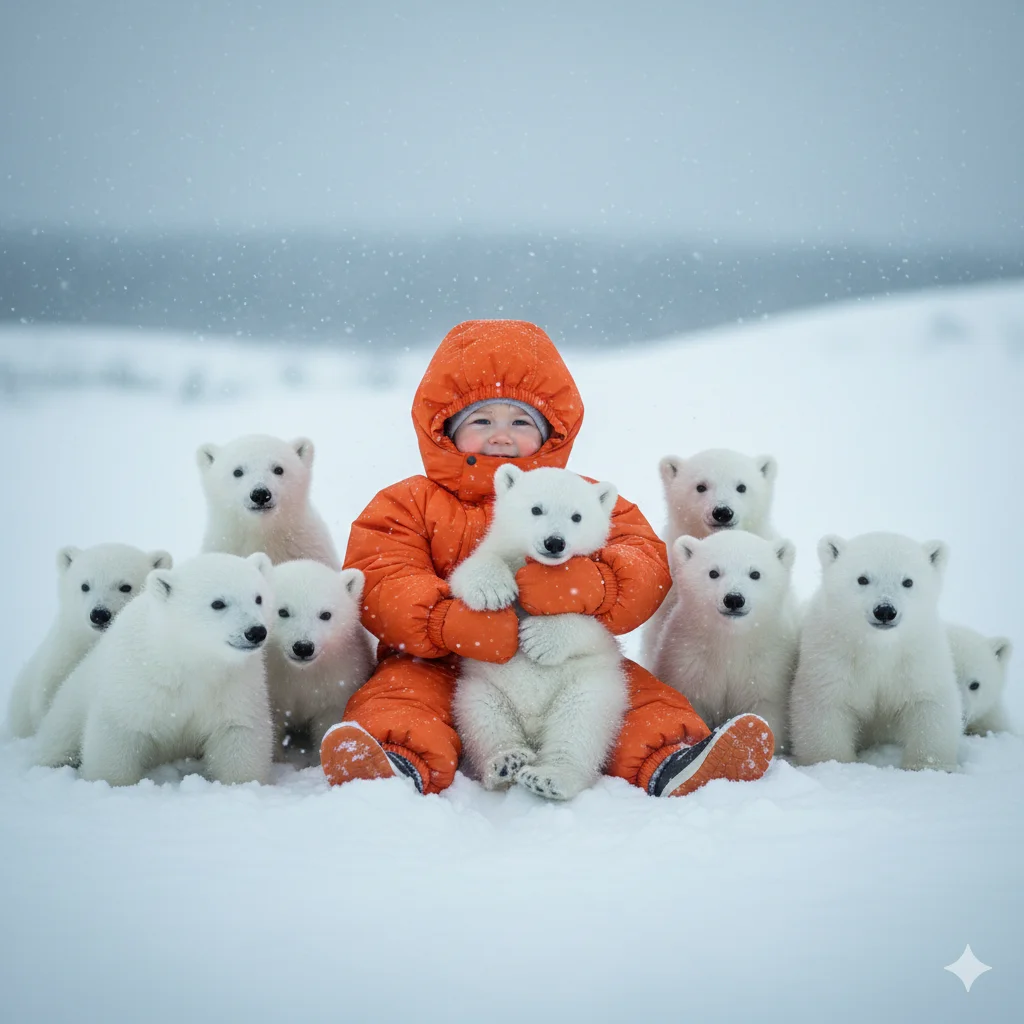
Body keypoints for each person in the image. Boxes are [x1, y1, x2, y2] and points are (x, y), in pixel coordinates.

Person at [320, 319, 774, 798]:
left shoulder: (580, 497)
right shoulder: (408, 502)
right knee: (400, 699)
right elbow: (383, 576)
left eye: (519, 422)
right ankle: (391, 761)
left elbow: (644, 559)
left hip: (564, 655)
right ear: (446, 429)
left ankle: (676, 758)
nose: (501, 436)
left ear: (549, 434)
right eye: (481, 421)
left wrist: (597, 585)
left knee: (629, 697)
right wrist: (446, 621)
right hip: (434, 662)